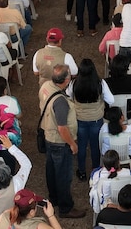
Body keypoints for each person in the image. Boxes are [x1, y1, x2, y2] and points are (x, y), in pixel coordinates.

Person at [39, 64, 85, 218]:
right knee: (63, 176)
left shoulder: (45, 86)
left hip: (48, 136)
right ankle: (65, 208)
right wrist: (72, 144)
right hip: (60, 142)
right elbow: (62, 128)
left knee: (51, 170)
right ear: (66, 79)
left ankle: (54, 198)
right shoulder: (61, 101)